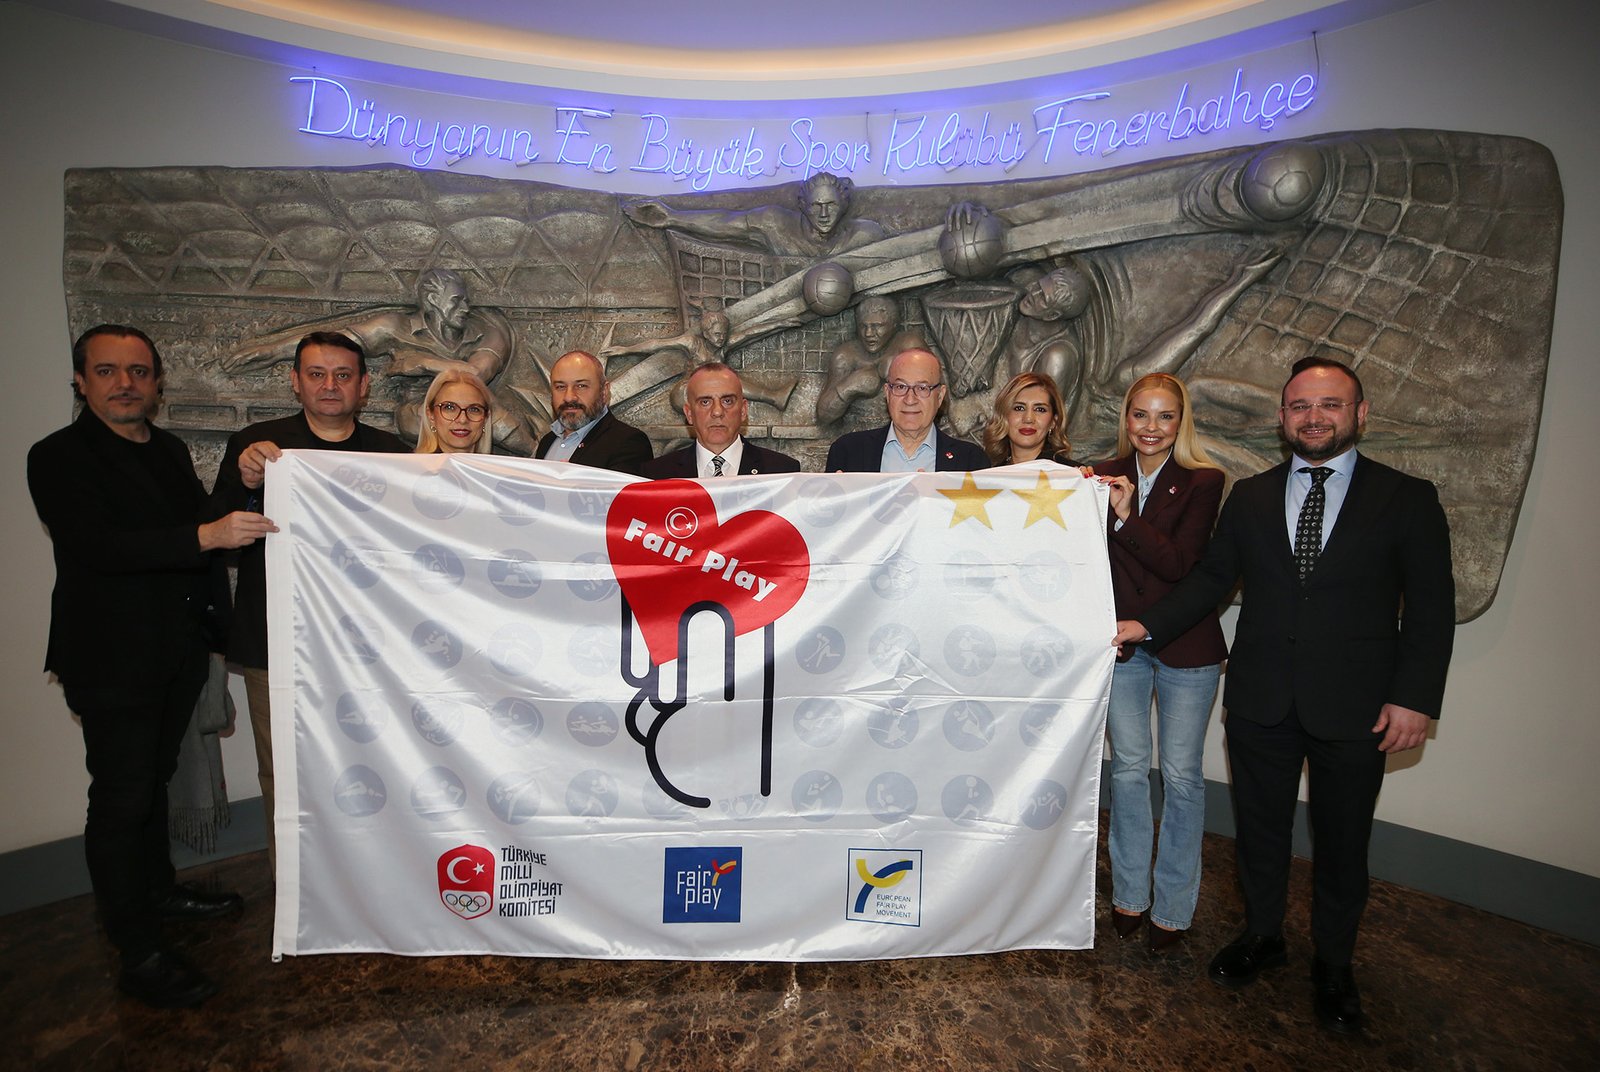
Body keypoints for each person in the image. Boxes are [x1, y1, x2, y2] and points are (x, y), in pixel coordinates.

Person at [1113, 356, 1455, 1035]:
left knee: (1342, 843)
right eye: (1301, 406)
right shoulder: (1254, 496)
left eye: (1330, 405)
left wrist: (1415, 698)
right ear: (1282, 417)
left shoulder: (1407, 498)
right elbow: (1210, 582)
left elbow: (1430, 609)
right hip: (1261, 700)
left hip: (1356, 708)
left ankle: (1334, 965)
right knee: (1260, 833)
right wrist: (1146, 625)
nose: (1314, 417)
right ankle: (1262, 935)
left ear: (1360, 415)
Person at [28, 325, 276, 1007]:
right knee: (120, 798)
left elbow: (203, 525)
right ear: (81, 380)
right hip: (110, 658)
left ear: (157, 382)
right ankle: (136, 951)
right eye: (107, 371)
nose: (125, 383)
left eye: (138, 371)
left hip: (176, 651)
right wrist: (207, 534)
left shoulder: (166, 450)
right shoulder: (57, 456)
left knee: (154, 781)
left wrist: (246, 485)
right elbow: (98, 547)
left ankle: (158, 893)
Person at [210, 332, 408, 874]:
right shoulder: (259, 448)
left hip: (369, 647)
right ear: (295, 381)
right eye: (317, 374)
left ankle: (374, 879)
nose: (330, 385)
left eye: (343, 375)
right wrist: (248, 484)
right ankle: (295, 891)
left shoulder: (392, 454)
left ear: (364, 386)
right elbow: (216, 532)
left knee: (378, 762)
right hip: (278, 642)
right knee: (285, 772)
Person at [1094, 372, 1228, 953]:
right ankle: (1129, 894)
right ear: (1126, 418)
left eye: (1165, 415)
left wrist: (1125, 517)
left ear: (1181, 421)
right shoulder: (1099, 475)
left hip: (1186, 649)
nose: (1151, 427)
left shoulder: (1204, 481)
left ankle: (1173, 906)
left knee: (1181, 776)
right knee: (1127, 769)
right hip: (1121, 646)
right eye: (1141, 414)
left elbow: (1177, 564)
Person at [624, 171, 886, 259]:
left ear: (844, 205)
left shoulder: (866, 235)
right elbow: (726, 222)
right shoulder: (773, 223)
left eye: (831, 205)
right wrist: (671, 217)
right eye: (817, 206)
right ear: (803, 205)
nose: (824, 214)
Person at [824, 349, 988, 473]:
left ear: (939, 397)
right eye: (900, 387)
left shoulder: (971, 462)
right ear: (888, 393)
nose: (910, 400)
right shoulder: (848, 452)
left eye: (922, 388)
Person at [642, 363, 800, 478]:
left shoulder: (782, 472)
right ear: (689, 414)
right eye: (705, 402)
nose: (717, 412)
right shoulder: (657, 476)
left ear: (743, 410)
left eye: (727, 401)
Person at [534, 350, 652, 476]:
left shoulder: (627, 443)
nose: (569, 397)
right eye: (560, 387)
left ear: (604, 391)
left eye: (581, 386)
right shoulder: (547, 442)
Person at [815, 296, 927, 424]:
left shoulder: (909, 345)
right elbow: (824, 415)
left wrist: (902, 373)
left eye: (877, 326)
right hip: (857, 430)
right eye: (863, 326)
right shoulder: (845, 356)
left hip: (905, 430)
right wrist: (849, 386)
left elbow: (937, 398)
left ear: (894, 325)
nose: (868, 333)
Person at [981, 372, 1080, 466]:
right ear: (1004, 416)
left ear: (1053, 422)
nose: (1028, 418)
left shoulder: (1072, 473)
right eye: (1019, 408)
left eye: (1040, 409)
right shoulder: (988, 474)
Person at [415, 367, 494, 454]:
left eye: (474, 409)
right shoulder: (410, 463)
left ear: (486, 417)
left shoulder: (497, 463)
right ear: (430, 415)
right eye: (450, 408)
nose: (463, 420)